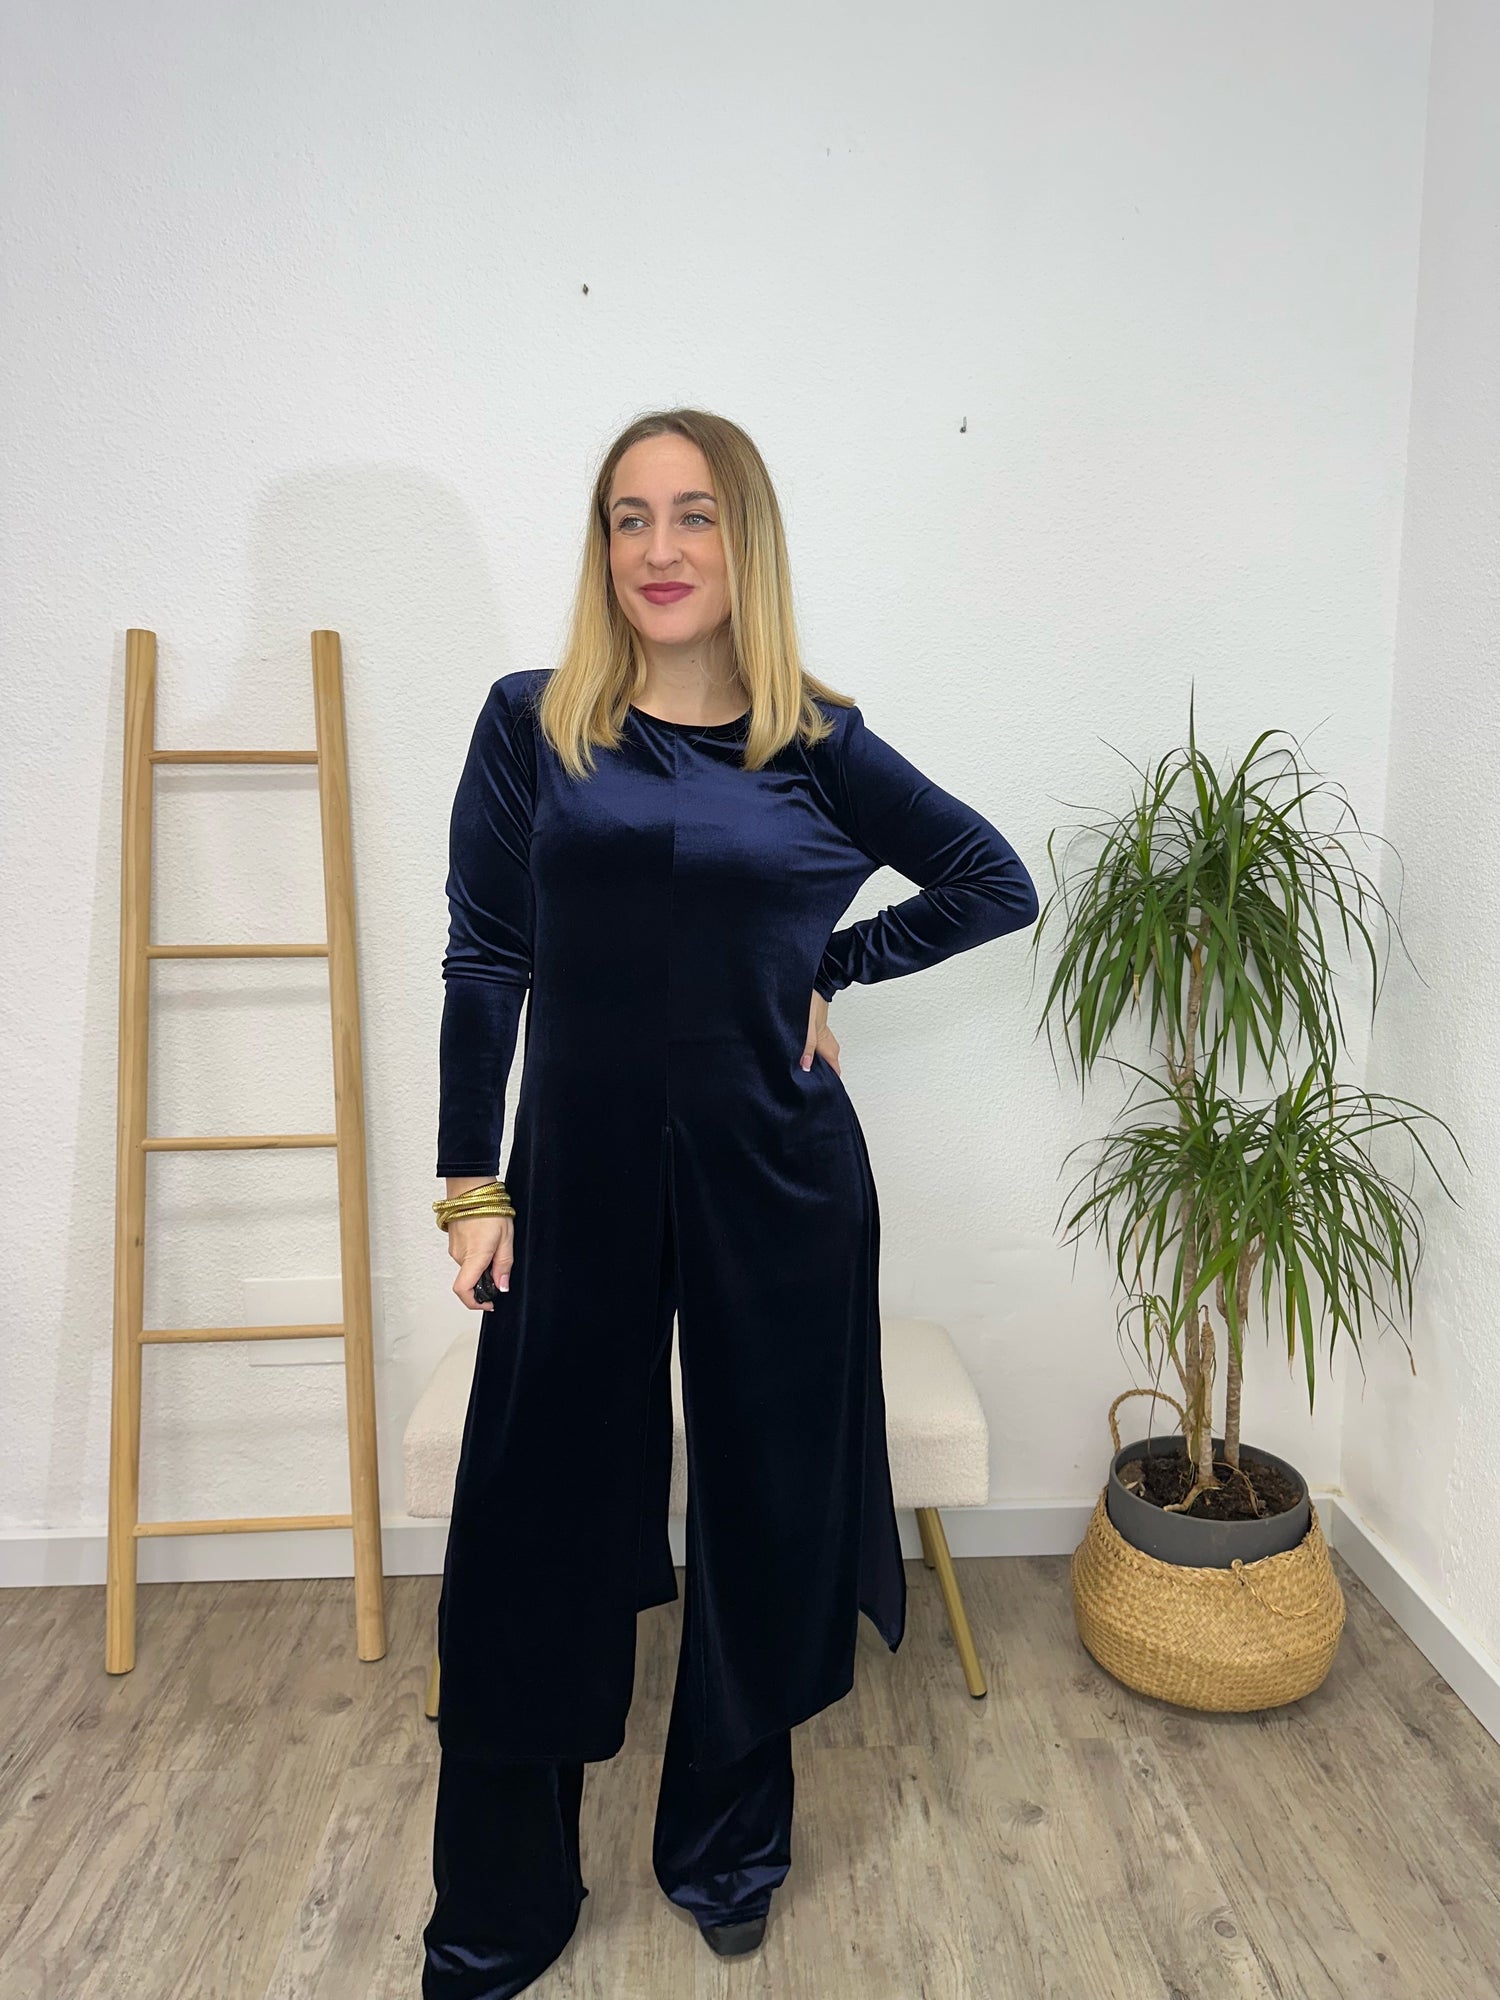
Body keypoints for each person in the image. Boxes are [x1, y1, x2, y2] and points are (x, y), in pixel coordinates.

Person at [422, 407, 1039, 1997]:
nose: (659, 549)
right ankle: (506, 1897)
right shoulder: (532, 723)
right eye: (628, 518)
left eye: (692, 515)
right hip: (578, 1174)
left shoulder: (818, 741)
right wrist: (472, 1183)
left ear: (742, 539)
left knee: (767, 1507)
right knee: (536, 1515)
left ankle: (726, 1844)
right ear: (601, 547)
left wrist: (832, 963)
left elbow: (994, 880)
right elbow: (487, 957)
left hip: (779, 1168)